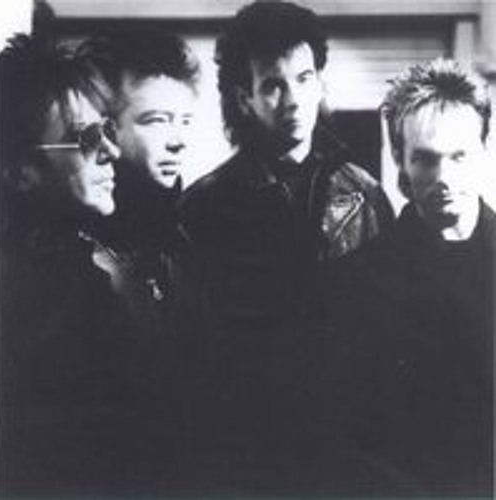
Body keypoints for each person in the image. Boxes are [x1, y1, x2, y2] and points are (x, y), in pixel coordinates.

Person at [178, 0, 394, 492]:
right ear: (244, 98)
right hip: (243, 449)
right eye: (273, 85)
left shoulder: (365, 194)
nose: (293, 99)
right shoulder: (203, 206)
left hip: (342, 444)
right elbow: (193, 348)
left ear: (319, 83)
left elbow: (384, 336)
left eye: (303, 78)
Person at [328, 58, 495, 496]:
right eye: (425, 159)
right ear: (400, 162)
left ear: (484, 149)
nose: (444, 178)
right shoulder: (359, 281)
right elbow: (355, 439)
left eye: (459, 156)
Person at [0, 30, 149, 497]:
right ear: (19, 172)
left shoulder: (83, 261)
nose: (112, 151)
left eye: (106, 129)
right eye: (85, 138)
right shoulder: (39, 293)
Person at [76, 32, 201, 491]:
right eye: (155, 121)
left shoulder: (187, 236)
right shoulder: (76, 255)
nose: (178, 141)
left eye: (184, 121)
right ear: (106, 131)